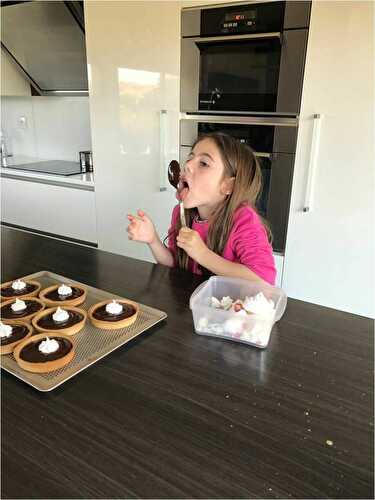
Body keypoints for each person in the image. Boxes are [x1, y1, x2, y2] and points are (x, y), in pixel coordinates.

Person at [127, 132, 276, 285]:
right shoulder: (181, 212)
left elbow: (264, 280)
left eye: (203, 163)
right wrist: (153, 240)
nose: (187, 165)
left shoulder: (243, 219)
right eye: (190, 158)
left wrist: (203, 254)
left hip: (230, 305)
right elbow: (174, 265)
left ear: (228, 185)